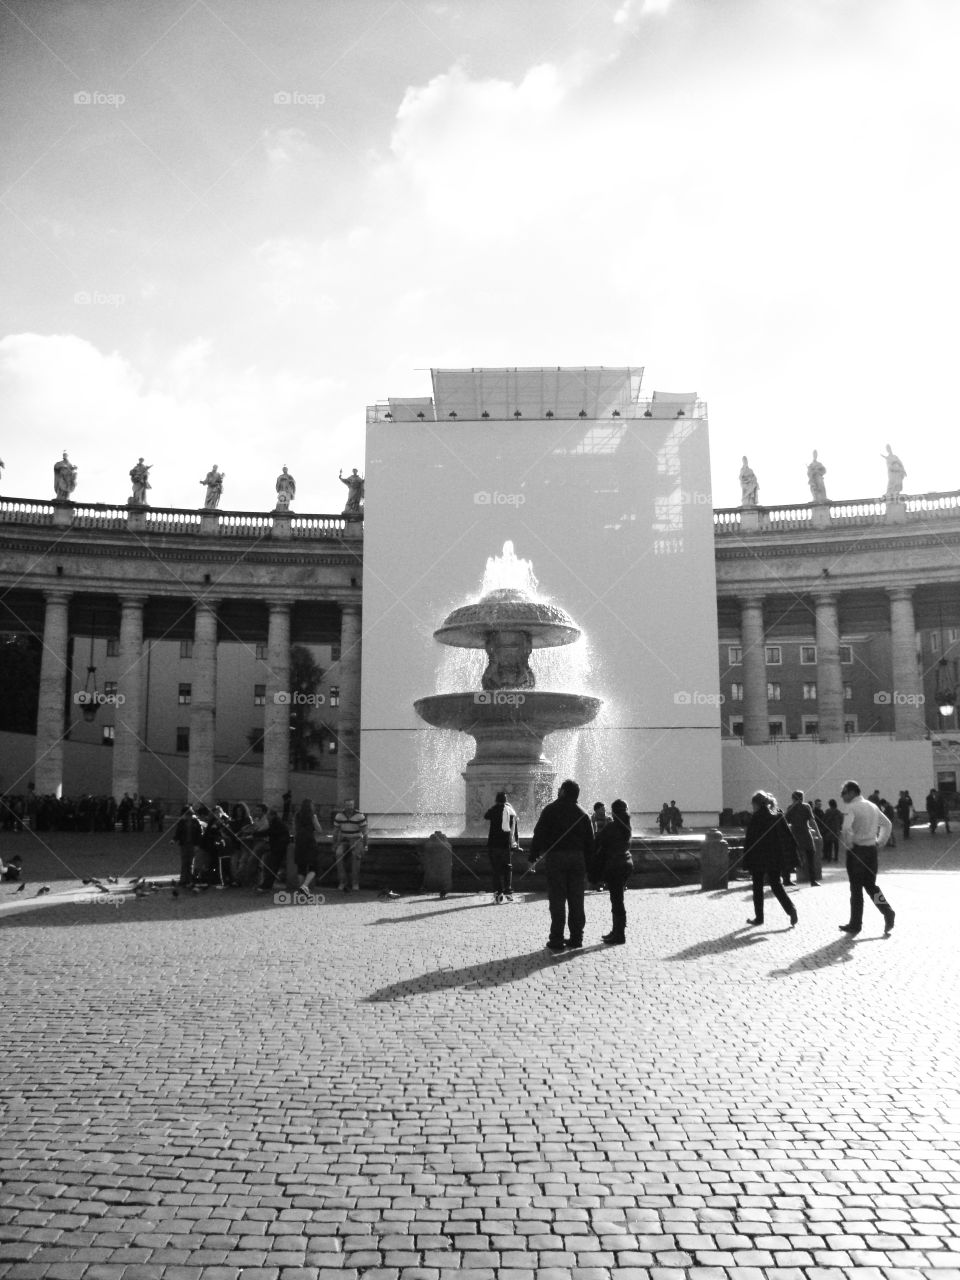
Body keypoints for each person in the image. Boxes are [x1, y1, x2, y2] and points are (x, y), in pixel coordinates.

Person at [528, 778, 594, 952]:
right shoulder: (583, 814)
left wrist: (534, 855)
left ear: (563, 792)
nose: (557, 791)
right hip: (578, 859)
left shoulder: (550, 810)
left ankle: (556, 938)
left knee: (557, 899)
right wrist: (589, 865)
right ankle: (576, 937)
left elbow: (539, 833)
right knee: (576, 899)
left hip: (556, 858)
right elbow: (590, 843)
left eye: (560, 789)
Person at [838, 779, 895, 937]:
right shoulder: (873, 806)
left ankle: (855, 924)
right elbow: (887, 824)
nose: (842, 796)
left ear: (851, 792)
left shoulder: (851, 807)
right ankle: (888, 912)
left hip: (857, 851)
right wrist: (880, 841)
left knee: (856, 890)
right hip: (871, 851)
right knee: (871, 886)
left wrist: (849, 845)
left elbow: (846, 828)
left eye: (843, 793)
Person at [742, 791, 798, 928]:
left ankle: (759, 917)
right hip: (775, 857)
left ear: (756, 804)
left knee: (757, 887)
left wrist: (746, 859)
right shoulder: (777, 815)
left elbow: (750, 840)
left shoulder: (756, 817)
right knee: (776, 885)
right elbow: (788, 836)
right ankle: (791, 909)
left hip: (758, 857)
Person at [596, 799, 633, 945]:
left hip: (615, 865)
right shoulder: (627, 825)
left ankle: (619, 934)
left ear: (614, 812)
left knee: (616, 900)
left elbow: (598, 841)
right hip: (626, 863)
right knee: (618, 899)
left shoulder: (612, 827)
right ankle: (617, 930)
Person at [483, 790, 518, 903]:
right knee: (508, 868)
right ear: (506, 800)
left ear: (496, 800)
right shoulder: (509, 810)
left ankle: (498, 893)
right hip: (505, 845)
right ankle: (508, 891)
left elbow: (486, 816)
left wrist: (495, 807)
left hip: (494, 844)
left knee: (496, 869)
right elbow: (514, 827)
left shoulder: (494, 810)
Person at [784, 789, 821, 886]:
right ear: (802, 798)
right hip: (806, 834)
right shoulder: (806, 807)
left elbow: (786, 822)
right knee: (810, 857)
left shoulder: (790, 808)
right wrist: (818, 833)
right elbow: (812, 821)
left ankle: (786, 879)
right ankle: (812, 880)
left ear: (793, 798)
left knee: (790, 857)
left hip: (794, 835)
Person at [333, 799, 368, 892]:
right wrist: (334, 844)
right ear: (344, 806)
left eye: (351, 805)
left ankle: (355, 883)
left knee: (356, 856)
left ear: (354, 805)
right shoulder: (339, 816)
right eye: (348, 805)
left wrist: (365, 845)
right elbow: (335, 832)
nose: (349, 807)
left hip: (357, 840)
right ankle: (342, 881)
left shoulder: (360, 816)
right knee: (338, 853)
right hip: (344, 840)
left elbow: (365, 832)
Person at [257, 808, 291, 893]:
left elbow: (269, 832)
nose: (267, 817)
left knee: (272, 866)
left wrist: (254, 834)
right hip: (277, 847)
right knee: (271, 866)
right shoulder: (276, 822)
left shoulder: (276, 823)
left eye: (268, 815)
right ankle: (267, 884)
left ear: (273, 815)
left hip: (278, 848)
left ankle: (266, 884)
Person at [293, 799, 322, 895]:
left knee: (301, 867)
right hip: (310, 841)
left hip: (299, 841)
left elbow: (294, 829)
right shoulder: (312, 816)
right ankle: (305, 885)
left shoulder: (297, 815)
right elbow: (319, 829)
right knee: (314, 866)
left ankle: (301, 890)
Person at [172, 804, 202, 887]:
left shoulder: (195, 822)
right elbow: (178, 832)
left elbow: (199, 834)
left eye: (189, 814)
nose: (188, 816)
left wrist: (197, 844)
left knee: (190, 862)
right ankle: (183, 879)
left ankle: (189, 879)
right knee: (184, 862)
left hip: (192, 844)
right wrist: (174, 839)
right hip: (184, 844)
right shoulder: (181, 822)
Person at [588, 801, 609, 890]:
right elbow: (592, 831)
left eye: (604, 808)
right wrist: (593, 822)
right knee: (598, 863)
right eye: (602, 808)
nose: (604, 810)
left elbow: (609, 831)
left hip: (606, 843)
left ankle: (607, 882)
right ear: (596, 810)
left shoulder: (608, 818)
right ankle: (599, 883)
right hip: (597, 843)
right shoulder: (593, 818)